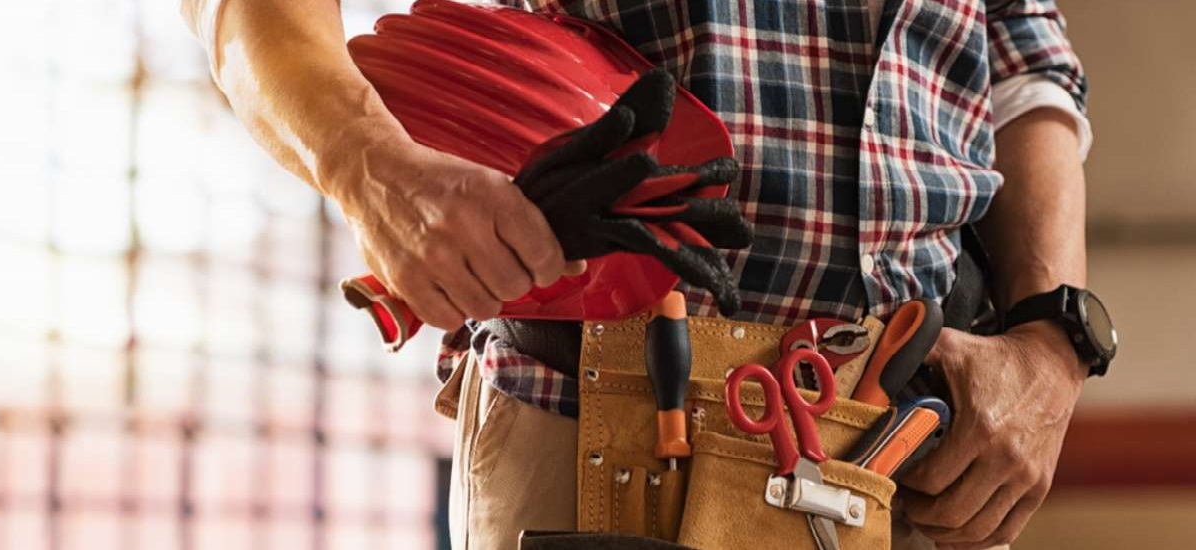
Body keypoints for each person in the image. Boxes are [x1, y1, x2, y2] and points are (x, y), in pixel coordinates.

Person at [182, 0, 1104, 549]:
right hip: (597, 432)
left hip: (917, 454)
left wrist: (1054, 338)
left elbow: (1026, 59)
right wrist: (368, 166)